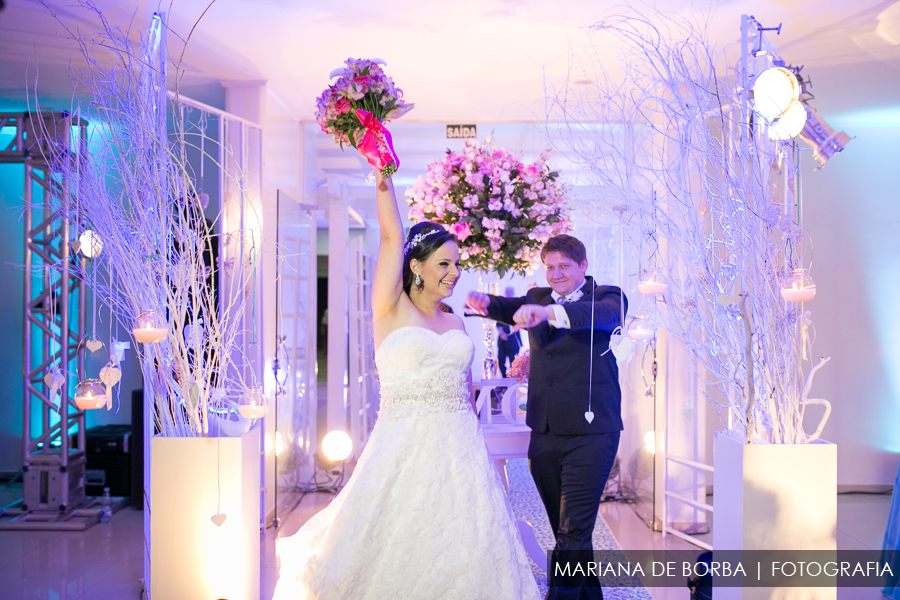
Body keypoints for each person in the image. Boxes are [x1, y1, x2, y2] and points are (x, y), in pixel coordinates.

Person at [274, 172, 539, 600]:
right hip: (403, 446)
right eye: (444, 264)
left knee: (468, 546)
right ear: (416, 267)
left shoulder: (455, 320)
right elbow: (391, 236)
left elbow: (464, 387)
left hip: (461, 452)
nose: (454, 273)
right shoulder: (390, 309)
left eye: (457, 264)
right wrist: (383, 175)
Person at [466, 234, 627, 600]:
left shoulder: (609, 296)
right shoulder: (538, 296)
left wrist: (548, 314)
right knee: (569, 533)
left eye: (564, 267)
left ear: (583, 267)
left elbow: (600, 318)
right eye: (550, 267)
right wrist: (484, 302)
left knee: (572, 532)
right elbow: (508, 308)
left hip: (592, 431)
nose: (555, 274)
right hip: (545, 431)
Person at [496, 286, 522, 378]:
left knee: (513, 363)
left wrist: (514, 329)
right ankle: (504, 378)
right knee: (500, 360)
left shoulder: (518, 305)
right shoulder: (501, 305)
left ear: (513, 293)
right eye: (507, 291)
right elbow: (497, 320)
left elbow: (521, 320)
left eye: (510, 291)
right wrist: (501, 333)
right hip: (503, 340)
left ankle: (512, 380)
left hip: (513, 339)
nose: (509, 293)